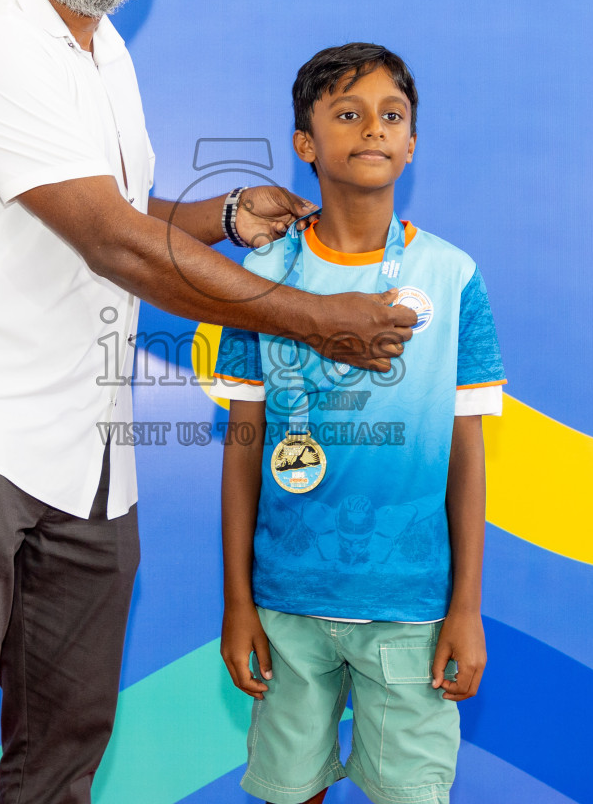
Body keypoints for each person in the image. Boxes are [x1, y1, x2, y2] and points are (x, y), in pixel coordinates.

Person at [0, 0, 419, 804]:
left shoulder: (104, 50)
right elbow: (114, 242)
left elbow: (123, 211)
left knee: (64, 751)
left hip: (90, 464)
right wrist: (313, 317)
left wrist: (228, 216)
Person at [214, 43, 506, 804]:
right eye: (348, 113)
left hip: (411, 608)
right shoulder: (259, 278)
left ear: (412, 144)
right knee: (288, 790)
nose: (373, 128)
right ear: (307, 145)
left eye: (391, 115)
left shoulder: (452, 276)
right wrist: (238, 603)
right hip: (286, 602)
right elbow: (244, 448)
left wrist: (465, 609)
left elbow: (467, 455)